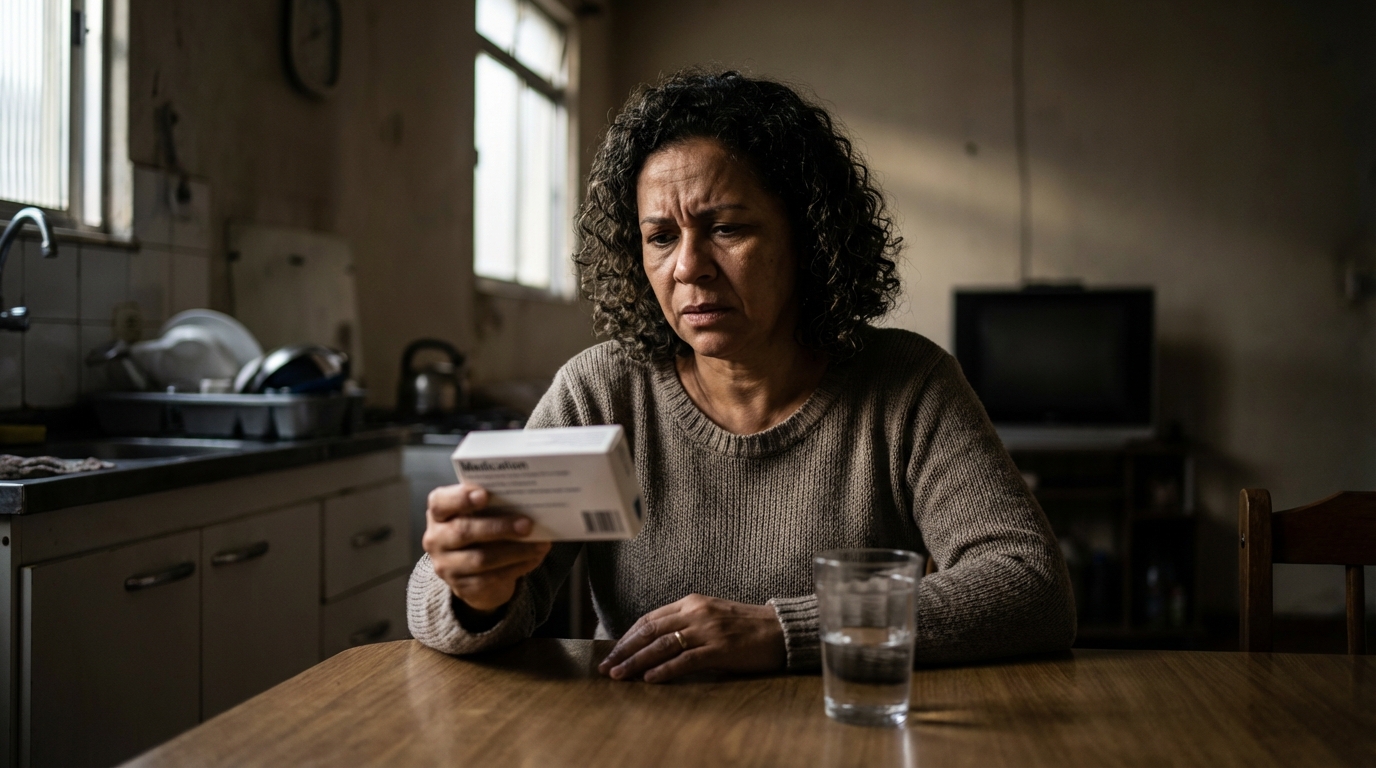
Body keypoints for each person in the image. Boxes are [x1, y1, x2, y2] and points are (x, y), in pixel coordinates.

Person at [408, 69, 1076, 683]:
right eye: (660, 237)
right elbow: (443, 606)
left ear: (809, 238)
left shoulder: (907, 384)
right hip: (645, 737)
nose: (688, 267)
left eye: (726, 228)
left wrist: (784, 632)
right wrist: (475, 591)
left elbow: (1031, 586)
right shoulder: (601, 391)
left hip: (844, 737)